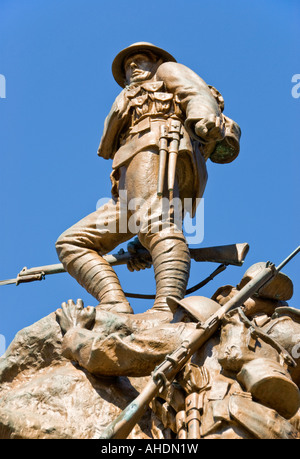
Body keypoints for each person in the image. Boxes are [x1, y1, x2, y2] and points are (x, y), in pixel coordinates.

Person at [55, 42, 241, 315]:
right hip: (128, 180)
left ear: (155, 62)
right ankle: (114, 302)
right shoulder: (128, 98)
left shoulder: (166, 71)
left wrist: (202, 117)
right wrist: (140, 246)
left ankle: (166, 309)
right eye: (127, 67)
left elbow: (195, 92)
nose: (132, 67)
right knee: (72, 242)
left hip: (156, 149)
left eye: (139, 60)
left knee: (155, 223)